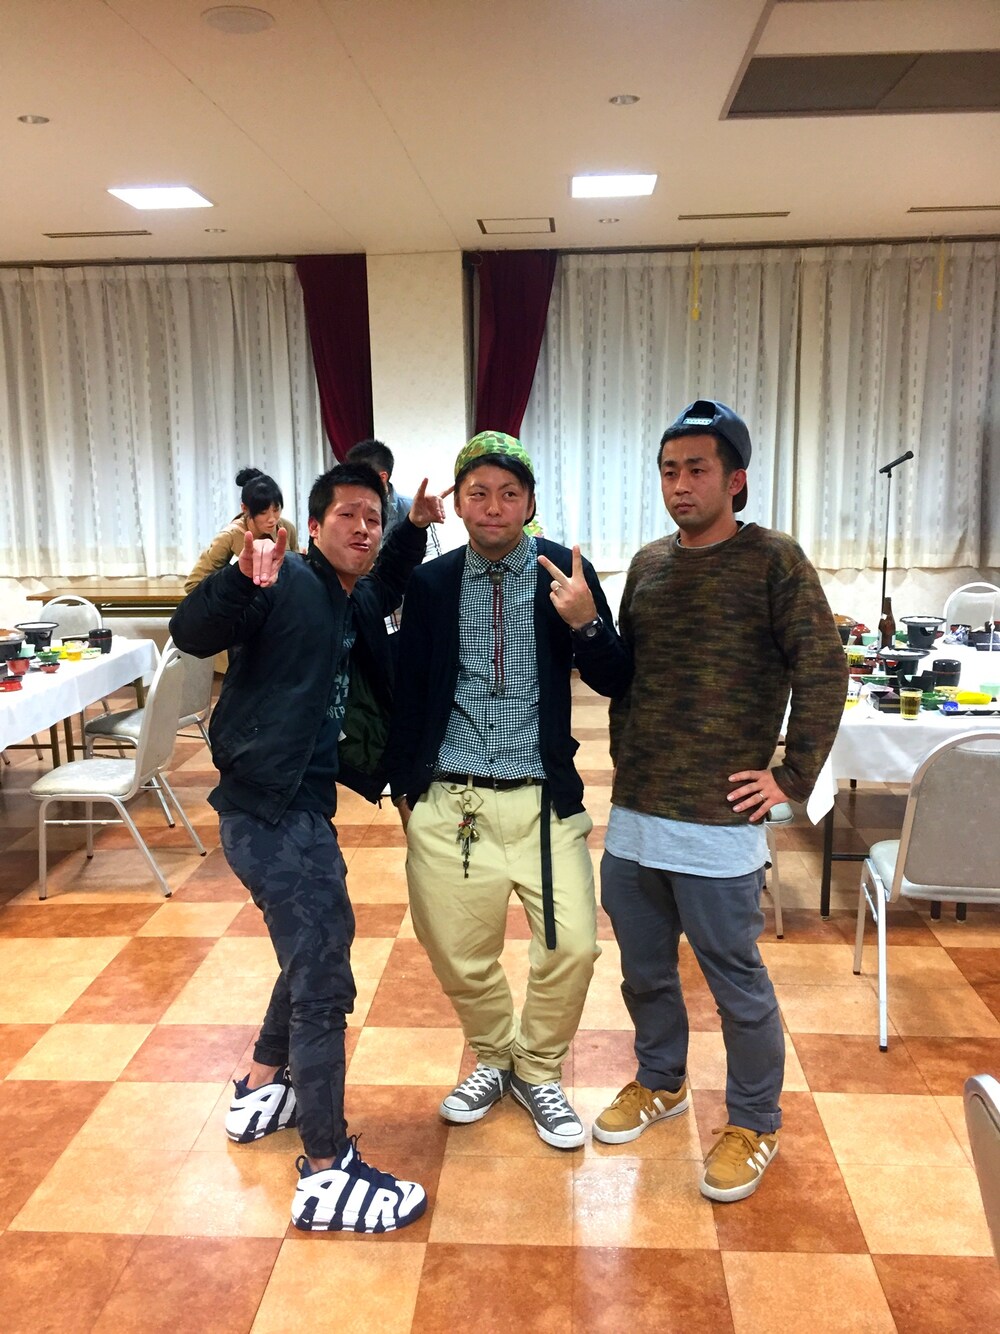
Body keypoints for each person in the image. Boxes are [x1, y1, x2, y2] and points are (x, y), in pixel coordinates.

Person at [170, 461, 447, 1233]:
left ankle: (264, 1083)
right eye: (347, 515)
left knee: (315, 944)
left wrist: (412, 529)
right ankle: (327, 1171)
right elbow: (192, 631)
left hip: (299, 809)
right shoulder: (285, 581)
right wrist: (240, 576)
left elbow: (384, 583)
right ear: (314, 526)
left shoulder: (345, 595)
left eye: (373, 517)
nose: (363, 527)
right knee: (323, 974)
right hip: (267, 812)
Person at [595, 400, 846, 1201]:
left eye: (697, 469)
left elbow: (824, 668)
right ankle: (660, 1080)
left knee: (736, 983)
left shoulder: (774, 560)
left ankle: (755, 1121)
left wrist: (792, 777)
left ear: (735, 479)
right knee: (644, 972)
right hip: (637, 816)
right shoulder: (648, 564)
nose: (680, 485)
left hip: (717, 822)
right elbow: (629, 677)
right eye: (669, 471)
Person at [385, 431, 632, 1149]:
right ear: (459, 504)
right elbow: (409, 690)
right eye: (479, 493)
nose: (493, 507)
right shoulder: (433, 584)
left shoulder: (565, 575)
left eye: (509, 494)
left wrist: (587, 624)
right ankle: (496, 1057)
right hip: (452, 797)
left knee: (573, 947)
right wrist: (406, 790)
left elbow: (616, 678)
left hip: (542, 799)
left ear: (529, 503)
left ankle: (539, 1068)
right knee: (454, 947)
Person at [184, 467, 299, 594]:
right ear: (245, 508)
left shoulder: (286, 528)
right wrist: (234, 578)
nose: (272, 519)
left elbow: (296, 575)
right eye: (263, 512)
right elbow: (192, 585)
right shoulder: (229, 537)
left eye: (276, 510)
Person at [346, 439, 441, 556]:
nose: (353, 484)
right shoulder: (347, 508)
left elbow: (432, 553)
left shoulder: (412, 507)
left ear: (382, 478)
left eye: (359, 479)